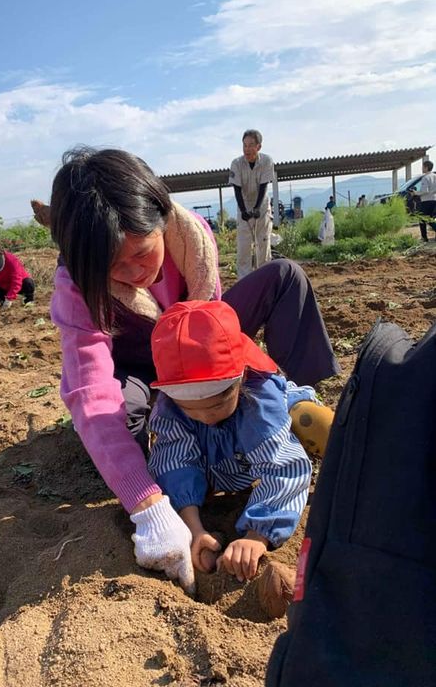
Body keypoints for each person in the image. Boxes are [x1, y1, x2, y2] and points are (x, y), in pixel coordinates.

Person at [44, 146, 339, 593]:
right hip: (145, 367)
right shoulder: (76, 287)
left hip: (197, 340)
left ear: (162, 219)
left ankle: (288, 404)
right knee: (129, 413)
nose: (135, 274)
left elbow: (210, 327)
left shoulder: (191, 236)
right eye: (113, 267)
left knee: (283, 277)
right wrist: (148, 506)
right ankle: (186, 427)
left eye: (142, 253)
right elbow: (91, 393)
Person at [148, 300, 333, 582]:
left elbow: (283, 467)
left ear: (242, 376)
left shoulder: (259, 399)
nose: (206, 417)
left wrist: (258, 535)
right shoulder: (172, 409)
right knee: (180, 463)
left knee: (313, 421)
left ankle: (362, 468)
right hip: (224, 460)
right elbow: (174, 462)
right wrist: (194, 530)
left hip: (273, 423)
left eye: (216, 405)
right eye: (191, 409)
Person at [229, 129, 275, 278]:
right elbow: (237, 189)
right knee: (244, 247)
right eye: (244, 145)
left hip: (261, 205)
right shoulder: (236, 164)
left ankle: (264, 278)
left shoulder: (267, 161)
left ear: (258, 147)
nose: (247, 149)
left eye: (251, 145)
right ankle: (245, 281)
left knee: (263, 244)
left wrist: (257, 208)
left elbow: (264, 186)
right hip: (244, 205)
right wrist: (243, 211)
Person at [413, 160, 436, 242]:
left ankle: (424, 237)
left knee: (422, 219)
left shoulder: (425, 178)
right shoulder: (434, 176)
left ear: (426, 167)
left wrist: (415, 193)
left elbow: (424, 191)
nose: (422, 168)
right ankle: (424, 237)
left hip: (426, 201)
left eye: (422, 167)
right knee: (431, 219)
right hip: (434, 200)